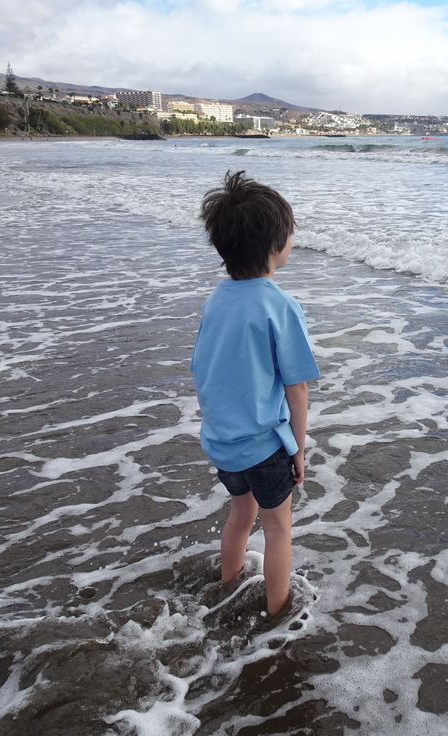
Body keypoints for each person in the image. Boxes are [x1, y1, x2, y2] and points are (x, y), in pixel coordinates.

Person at [190, 170, 320, 616]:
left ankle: (227, 586)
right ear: (273, 245)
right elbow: (296, 387)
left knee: (240, 515)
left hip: (222, 440)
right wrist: (298, 451)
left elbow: (208, 367)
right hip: (264, 446)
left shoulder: (216, 298)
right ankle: (276, 614)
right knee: (278, 527)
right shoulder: (280, 306)